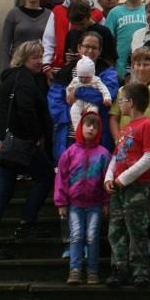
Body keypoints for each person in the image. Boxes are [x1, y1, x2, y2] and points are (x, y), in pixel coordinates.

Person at [0, 41, 54, 260]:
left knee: (3, 190)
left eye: (41, 56)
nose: (40, 61)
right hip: (17, 143)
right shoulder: (24, 79)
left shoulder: (12, 77)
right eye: (35, 58)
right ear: (23, 59)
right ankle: (20, 227)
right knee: (45, 176)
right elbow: (26, 108)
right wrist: (36, 136)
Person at [112, 46, 150, 258]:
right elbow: (114, 117)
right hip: (126, 151)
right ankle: (127, 237)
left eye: (146, 64)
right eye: (137, 63)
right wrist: (117, 140)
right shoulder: (123, 91)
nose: (141, 67)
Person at [105, 82, 150, 288]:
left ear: (131, 103)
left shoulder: (146, 125)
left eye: (122, 101)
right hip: (118, 187)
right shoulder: (125, 128)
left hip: (135, 186)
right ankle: (119, 269)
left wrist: (124, 178)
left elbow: (149, 157)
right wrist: (109, 178)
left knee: (136, 228)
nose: (120, 105)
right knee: (115, 229)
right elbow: (117, 156)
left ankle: (140, 271)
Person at [54, 109, 110, 285]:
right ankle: (75, 269)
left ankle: (93, 271)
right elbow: (61, 178)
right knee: (77, 235)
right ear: (81, 126)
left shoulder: (103, 154)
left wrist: (106, 201)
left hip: (95, 204)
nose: (91, 129)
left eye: (95, 126)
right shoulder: (70, 152)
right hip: (74, 203)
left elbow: (107, 180)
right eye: (88, 125)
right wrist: (61, 202)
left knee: (92, 236)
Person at [48, 31, 117, 158]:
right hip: (69, 135)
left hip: (97, 134)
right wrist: (76, 115)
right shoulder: (65, 72)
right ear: (79, 48)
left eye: (94, 47)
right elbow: (55, 104)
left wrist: (77, 92)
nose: (90, 50)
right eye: (86, 46)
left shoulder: (107, 71)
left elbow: (108, 94)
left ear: (100, 50)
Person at [41, 0, 104, 76]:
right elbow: (48, 41)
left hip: (90, 71)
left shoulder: (97, 14)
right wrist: (46, 65)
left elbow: (103, 44)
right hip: (60, 68)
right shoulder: (57, 11)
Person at [0, 0, 51, 71]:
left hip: (40, 67)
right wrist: (4, 70)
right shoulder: (14, 14)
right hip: (18, 66)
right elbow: (5, 45)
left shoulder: (49, 15)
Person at [105, 0, 147, 81]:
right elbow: (107, 42)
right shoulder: (114, 13)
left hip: (146, 66)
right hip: (121, 71)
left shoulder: (149, 9)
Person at [66, 55, 112, 131]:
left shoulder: (96, 80)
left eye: (87, 77)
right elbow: (69, 88)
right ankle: (78, 130)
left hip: (92, 103)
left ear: (92, 74)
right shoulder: (75, 80)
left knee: (92, 113)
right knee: (73, 111)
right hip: (79, 102)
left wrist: (107, 98)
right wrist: (68, 96)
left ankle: (90, 130)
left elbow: (104, 89)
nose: (83, 79)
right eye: (81, 77)